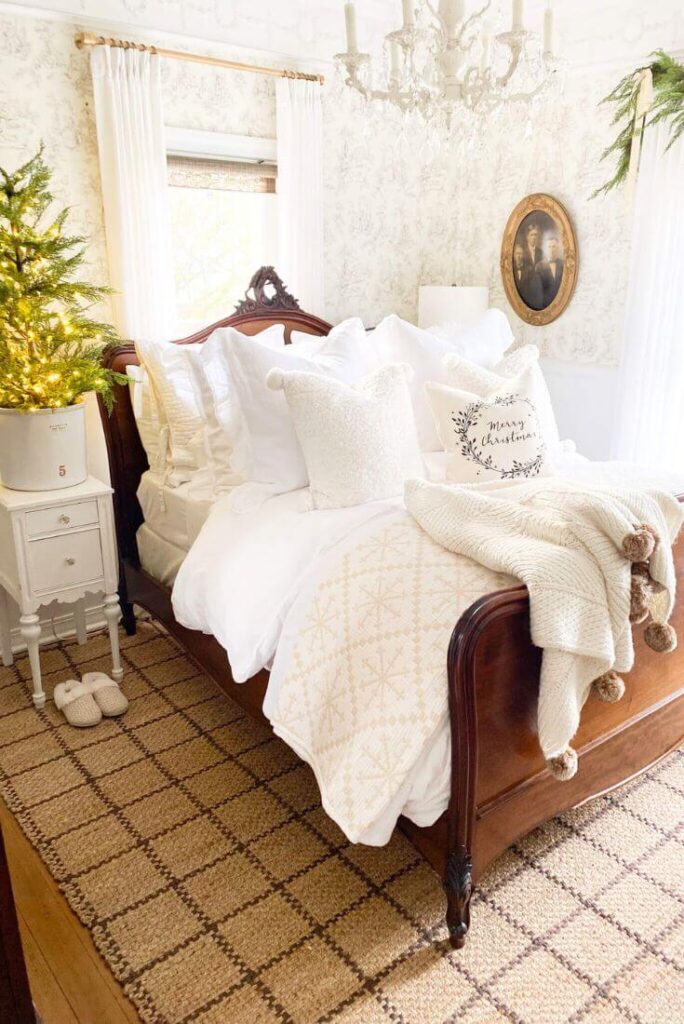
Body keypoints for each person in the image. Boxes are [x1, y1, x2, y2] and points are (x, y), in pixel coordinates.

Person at [512, 242, 544, 310]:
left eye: (521, 254)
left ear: (523, 255)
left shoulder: (529, 270)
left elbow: (533, 291)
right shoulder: (511, 270)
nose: (519, 256)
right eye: (517, 253)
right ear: (514, 255)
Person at [536, 235, 564, 306]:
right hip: (545, 304)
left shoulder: (563, 265)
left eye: (554, 246)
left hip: (562, 303)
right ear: (545, 249)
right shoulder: (539, 266)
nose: (552, 250)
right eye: (549, 247)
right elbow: (537, 289)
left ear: (558, 248)